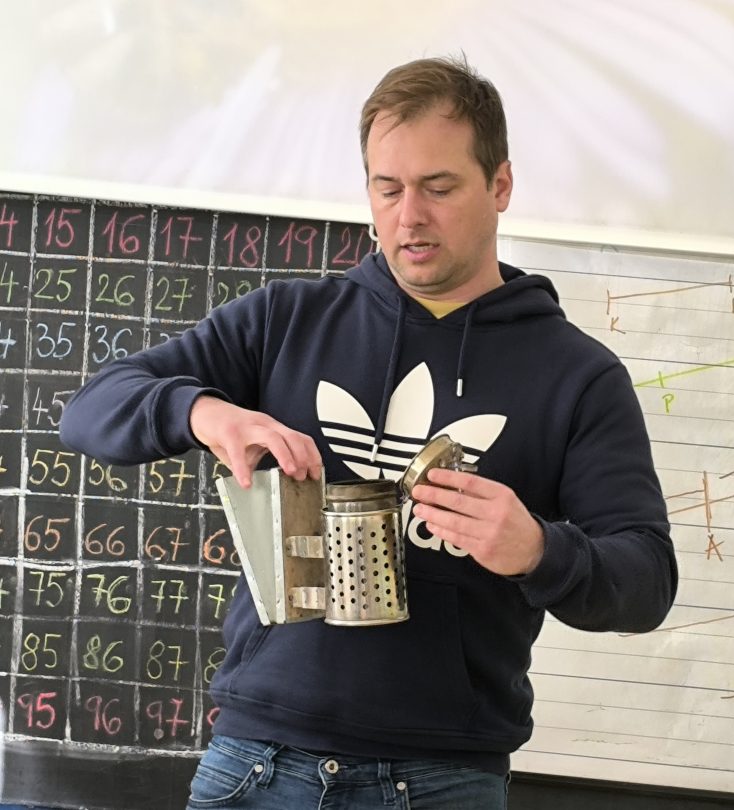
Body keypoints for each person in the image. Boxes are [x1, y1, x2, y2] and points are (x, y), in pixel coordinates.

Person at [60, 55, 677, 809]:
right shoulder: (285, 320)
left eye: (439, 188)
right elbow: (90, 409)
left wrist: (538, 551)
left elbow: (648, 581)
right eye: (388, 188)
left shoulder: (577, 375)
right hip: (257, 763)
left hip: (444, 780)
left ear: (501, 186)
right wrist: (203, 412)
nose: (409, 215)